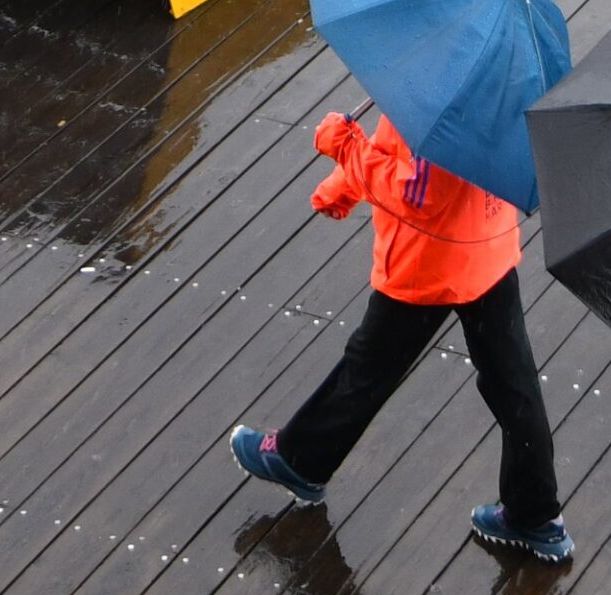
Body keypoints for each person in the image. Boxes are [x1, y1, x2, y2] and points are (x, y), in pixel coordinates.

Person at [230, 110, 574, 562]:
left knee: (368, 367)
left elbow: (417, 192)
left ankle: (299, 461)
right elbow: (403, 150)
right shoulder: (496, 81)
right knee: (515, 386)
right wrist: (345, 185)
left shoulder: (435, 93)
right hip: (487, 247)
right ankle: (536, 517)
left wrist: (346, 149)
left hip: (427, 259)